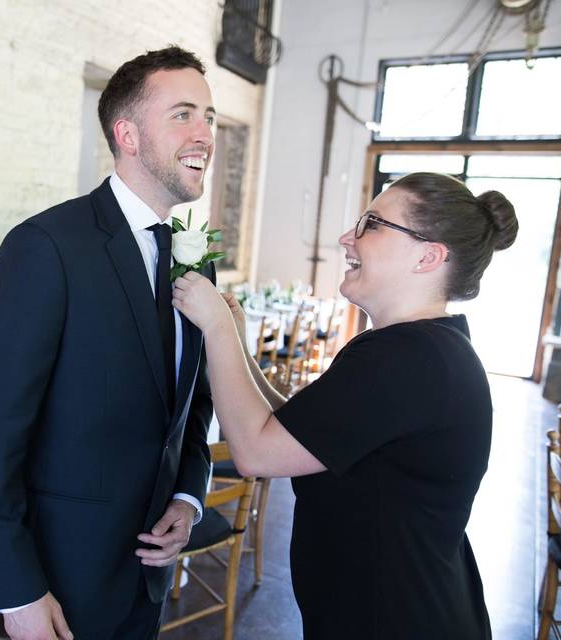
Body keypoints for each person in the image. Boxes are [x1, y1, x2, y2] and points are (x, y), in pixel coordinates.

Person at [172, 172, 518, 639]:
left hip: (395, 618)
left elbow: (258, 452)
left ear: (428, 256)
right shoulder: (422, 347)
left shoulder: (405, 358)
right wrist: (237, 344)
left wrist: (215, 328)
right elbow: (299, 433)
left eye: (372, 224)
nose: (345, 238)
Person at [0, 45, 218, 640]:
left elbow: (190, 404)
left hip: (147, 572)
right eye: (183, 114)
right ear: (127, 133)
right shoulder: (47, 247)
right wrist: (17, 589)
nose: (204, 132)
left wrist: (187, 495)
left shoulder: (194, 255)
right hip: (60, 578)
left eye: (209, 116)